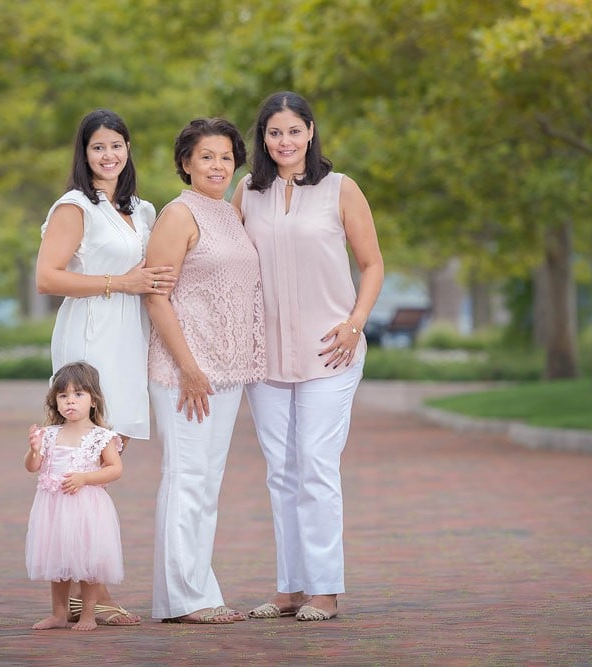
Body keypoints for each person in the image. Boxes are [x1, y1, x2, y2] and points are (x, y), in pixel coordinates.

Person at [232, 91, 384, 622]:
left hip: (331, 351)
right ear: (263, 138)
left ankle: (325, 589)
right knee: (281, 470)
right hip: (266, 355)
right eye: (274, 133)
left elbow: (371, 265)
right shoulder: (247, 192)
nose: (284, 142)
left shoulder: (342, 190)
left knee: (316, 466)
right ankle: (290, 586)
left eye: (294, 131)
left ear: (311, 132)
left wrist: (355, 323)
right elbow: (227, 260)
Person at [35, 108, 176, 625]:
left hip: (129, 341)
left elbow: (157, 275)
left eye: (117, 144)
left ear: (128, 148)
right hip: (91, 340)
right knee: (79, 463)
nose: (109, 155)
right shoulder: (75, 207)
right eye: (98, 147)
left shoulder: (142, 210)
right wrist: (120, 282)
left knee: (104, 465)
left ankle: (86, 589)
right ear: (84, 153)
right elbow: (47, 278)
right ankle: (82, 592)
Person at [144, 118, 267, 624]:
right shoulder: (178, 214)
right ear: (186, 163)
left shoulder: (230, 213)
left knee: (206, 482)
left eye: (224, 157)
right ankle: (183, 599)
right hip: (185, 372)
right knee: (187, 478)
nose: (217, 165)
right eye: (205, 157)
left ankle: (197, 590)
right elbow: (156, 295)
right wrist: (190, 368)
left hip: (227, 369)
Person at [24, 361, 125, 632]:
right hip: (53, 508)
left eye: (78, 394)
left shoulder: (101, 437)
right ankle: (59, 613)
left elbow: (115, 469)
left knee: (88, 562)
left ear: (93, 400)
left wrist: (85, 478)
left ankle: (88, 614)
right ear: (55, 401)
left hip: (86, 507)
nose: (70, 401)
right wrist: (34, 450)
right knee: (58, 562)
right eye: (63, 395)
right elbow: (33, 467)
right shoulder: (49, 434)